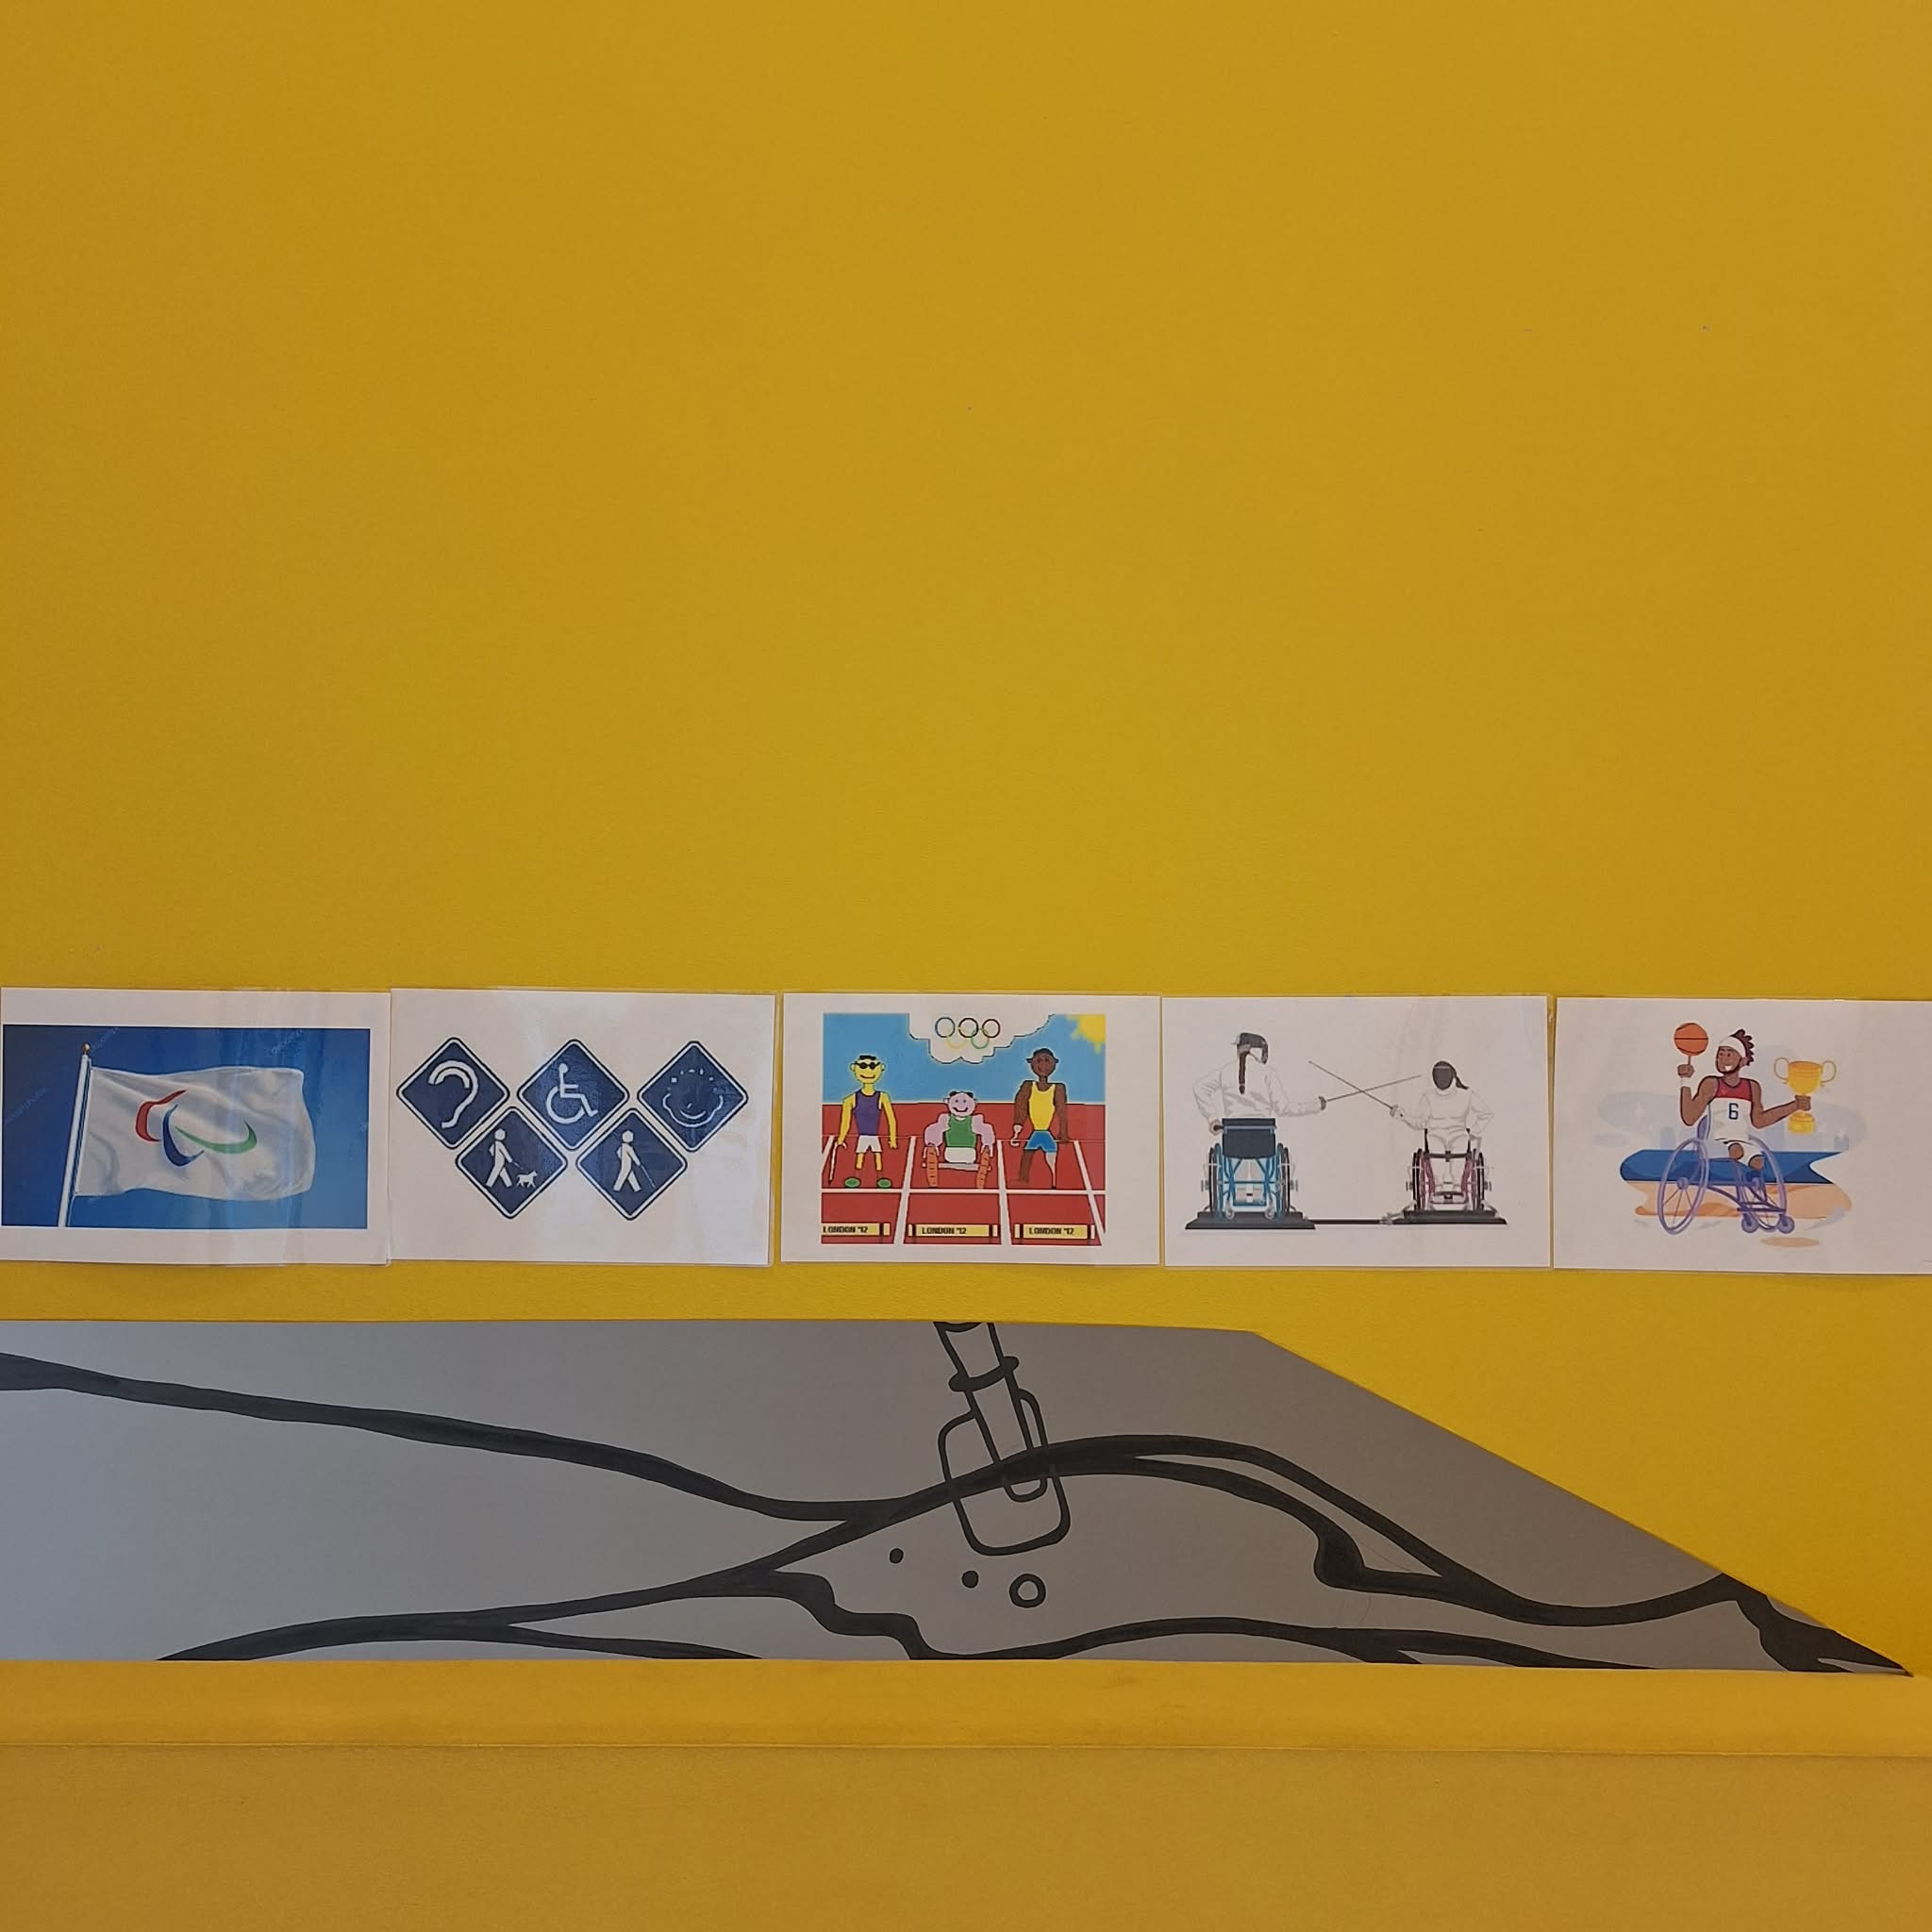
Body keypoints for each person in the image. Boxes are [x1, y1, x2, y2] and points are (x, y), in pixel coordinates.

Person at [1678, 1030, 1807, 1163]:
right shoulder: (1711, 1084)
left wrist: (1795, 1106)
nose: (1724, 1059)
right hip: (1714, 1144)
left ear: (1743, 1061)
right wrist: (1685, 1080)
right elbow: (1689, 1118)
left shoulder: (1752, 1087)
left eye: (1729, 1054)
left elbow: (1759, 1121)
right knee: (1736, 1150)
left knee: (1758, 1162)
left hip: (1742, 1143)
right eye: (1720, 1054)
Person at [1391, 1060, 1493, 1196]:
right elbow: (1420, 1122)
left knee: (1460, 1149)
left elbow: (1486, 1113)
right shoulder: (1428, 1097)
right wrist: (1403, 1115)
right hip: (1435, 1135)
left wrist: (1473, 1132)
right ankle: (1438, 1186)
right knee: (1436, 1153)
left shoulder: (1466, 1095)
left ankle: (1457, 1186)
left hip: (1458, 1134)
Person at [1192, 1031, 1325, 1133]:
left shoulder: (1225, 1071)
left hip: (1233, 1140)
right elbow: (1283, 1108)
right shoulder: (1268, 1072)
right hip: (1263, 1140)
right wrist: (1316, 1105)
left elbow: (1199, 1087)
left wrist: (1212, 1118)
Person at [1010, 1048, 1071, 1188]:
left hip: (1044, 1132)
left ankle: (1053, 1181)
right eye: (1039, 1061)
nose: (1043, 1065)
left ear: (1054, 1063)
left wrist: (1063, 1133)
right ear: (1032, 1063)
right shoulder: (1028, 1086)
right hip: (1037, 1131)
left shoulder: (1058, 1088)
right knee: (1030, 1154)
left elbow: (1062, 1112)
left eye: (1047, 1061)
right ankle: (1026, 1179)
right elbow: (1021, 1108)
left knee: (1046, 1156)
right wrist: (1017, 1131)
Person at [836, 1054, 897, 1189]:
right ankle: (857, 1177)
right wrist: (841, 1138)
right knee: (860, 1155)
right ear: (854, 1068)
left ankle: (880, 1177)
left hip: (874, 1135)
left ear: (881, 1068)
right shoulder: (850, 1099)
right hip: (862, 1135)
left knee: (877, 1155)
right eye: (863, 1066)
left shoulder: (883, 1097)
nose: (868, 1070)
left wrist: (893, 1138)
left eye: (873, 1066)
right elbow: (845, 1122)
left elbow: (891, 1119)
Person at [922, 1090, 998, 1187]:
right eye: (956, 1101)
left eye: (965, 1101)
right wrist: (932, 1144)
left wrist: (987, 1145)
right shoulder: (946, 1119)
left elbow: (986, 1130)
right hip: (951, 1153)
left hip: (969, 1154)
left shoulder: (975, 1121)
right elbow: (935, 1129)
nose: (961, 1105)